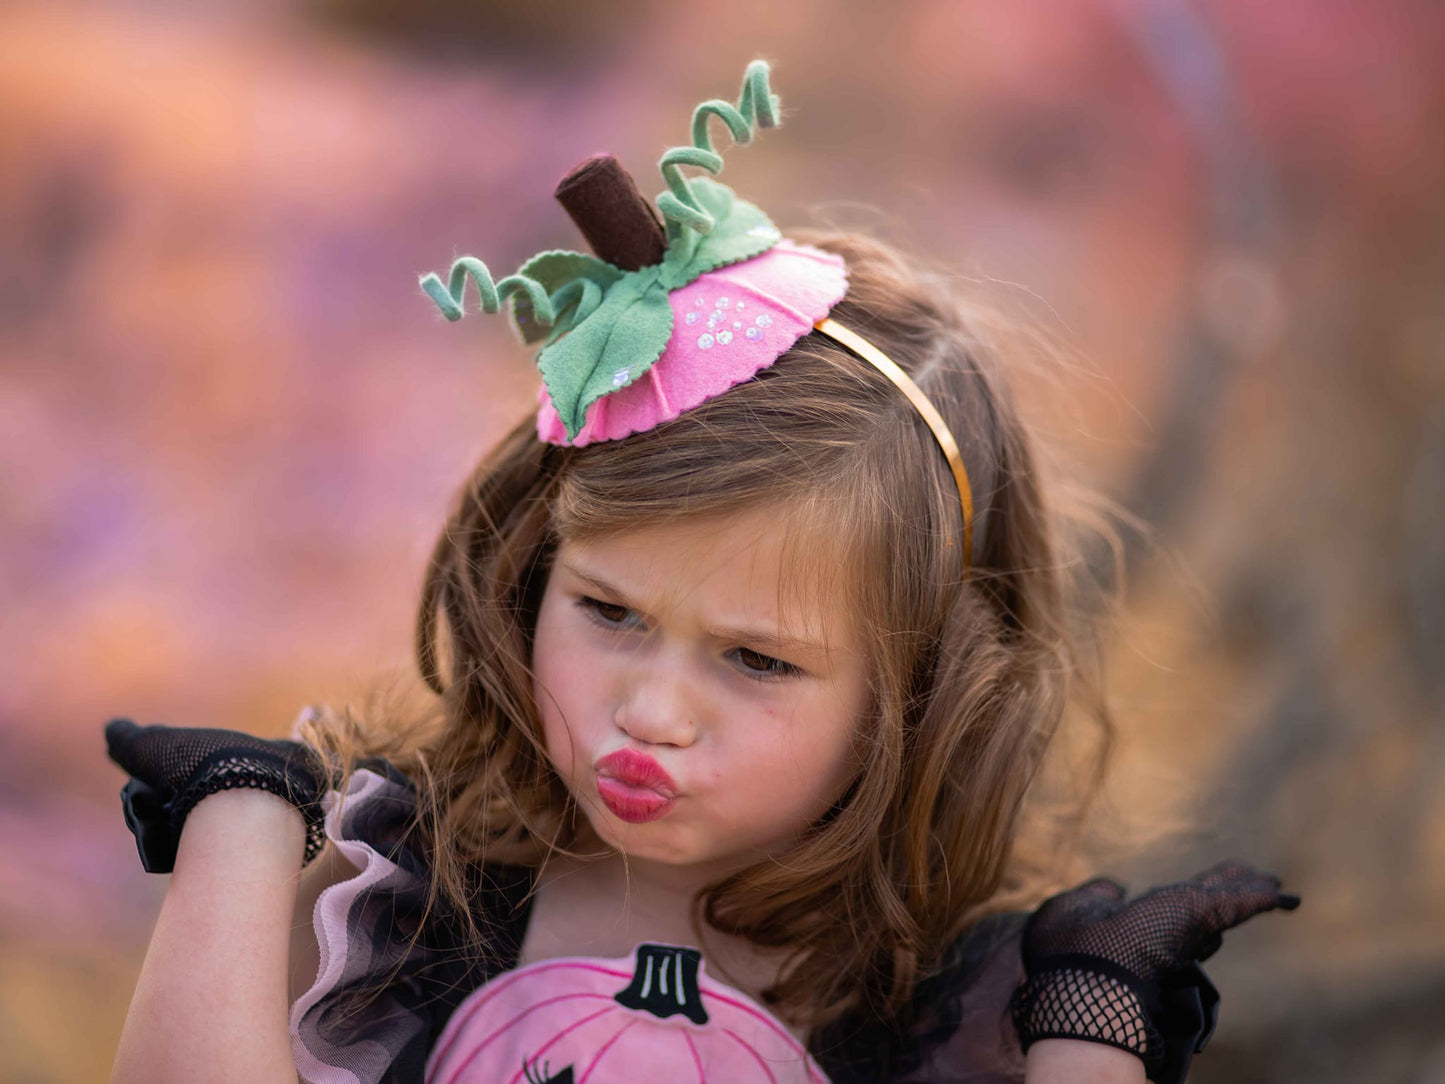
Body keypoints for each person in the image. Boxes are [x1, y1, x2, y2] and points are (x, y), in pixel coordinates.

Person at [103, 61, 1297, 1084]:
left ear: (922, 690)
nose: (652, 711)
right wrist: (238, 825)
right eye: (609, 611)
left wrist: (1091, 1026)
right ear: (529, 573)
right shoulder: (417, 892)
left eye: (757, 657)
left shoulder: (946, 1002)